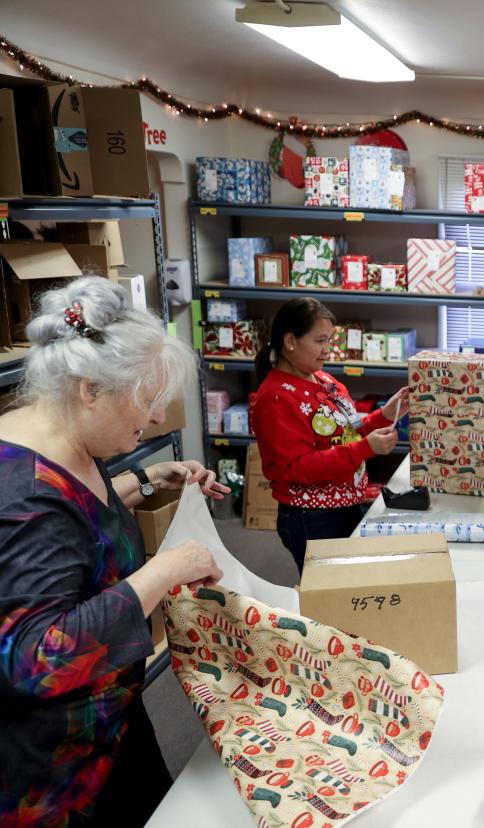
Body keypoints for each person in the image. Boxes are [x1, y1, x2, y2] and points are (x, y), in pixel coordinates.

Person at [0, 277, 226, 827]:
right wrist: (165, 570)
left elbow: (79, 529)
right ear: (89, 390)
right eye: (145, 400)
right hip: (56, 771)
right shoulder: (23, 491)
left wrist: (144, 480)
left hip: (109, 722)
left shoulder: (65, 438)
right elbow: (38, 657)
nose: (153, 417)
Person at [250, 298, 407, 573]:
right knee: (327, 600)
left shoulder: (323, 380)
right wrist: (365, 449)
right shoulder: (276, 397)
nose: (328, 351)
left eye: (329, 340)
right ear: (290, 341)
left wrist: (386, 414)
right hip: (313, 517)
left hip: (346, 506)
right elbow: (296, 468)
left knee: (347, 590)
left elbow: (348, 433)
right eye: (320, 341)